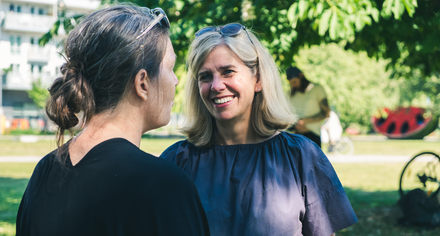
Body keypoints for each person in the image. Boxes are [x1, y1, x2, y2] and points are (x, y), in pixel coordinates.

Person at [16, 5, 210, 236]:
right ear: (142, 83)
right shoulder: (164, 185)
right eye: (170, 67)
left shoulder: (44, 172)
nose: (176, 80)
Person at [161, 23, 357, 236]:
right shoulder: (177, 162)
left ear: (258, 80)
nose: (216, 85)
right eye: (205, 76)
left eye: (228, 72)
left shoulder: (302, 157)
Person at [286, 66, 330, 148]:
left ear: (301, 76)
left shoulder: (317, 89)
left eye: (295, 81)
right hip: (295, 137)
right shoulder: (290, 95)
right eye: (291, 83)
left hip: (313, 136)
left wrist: (305, 121)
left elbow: (326, 113)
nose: (293, 85)